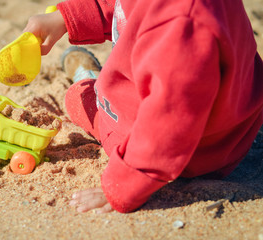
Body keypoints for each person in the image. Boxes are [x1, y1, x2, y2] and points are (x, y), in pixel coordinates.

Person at [23, 0, 263, 213]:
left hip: (201, 150)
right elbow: (122, 7)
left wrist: (122, 188)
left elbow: (168, 128)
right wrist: (65, 18)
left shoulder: (183, 23)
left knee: (78, 98)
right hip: (231, 113)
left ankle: (85, 73)